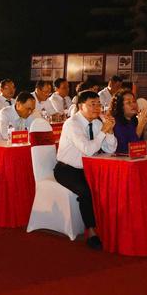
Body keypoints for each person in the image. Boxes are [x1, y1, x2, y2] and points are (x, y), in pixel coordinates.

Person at [55, 91, 114, 249]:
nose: (97, 108)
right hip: (67, 169)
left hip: (89, 168)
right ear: (81, 106)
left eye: (98, 104)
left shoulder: (96, 123)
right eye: (92, 104)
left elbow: (111, 147)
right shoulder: (72, 123)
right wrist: (103, 131)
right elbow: (87, 149)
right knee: (87, 192)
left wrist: (109, 130)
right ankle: (92, 231)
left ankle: (110, 227)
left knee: (110, 185)